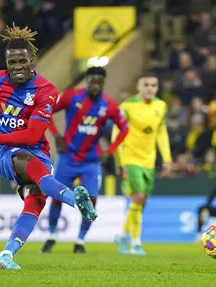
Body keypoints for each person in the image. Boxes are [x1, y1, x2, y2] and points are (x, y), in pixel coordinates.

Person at [0, 23, 97, 270]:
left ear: (32, 59)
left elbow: (31, 135)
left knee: (36, 198)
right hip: (5, 152)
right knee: (23, 159)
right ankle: (74, 200)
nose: (16, 68)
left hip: (37, 148)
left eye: (21, 61)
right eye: (11, 62)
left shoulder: (46, 91)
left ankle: (6, 255)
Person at [40, 66, 129, 254]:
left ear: (104, 83)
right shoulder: (71, 97)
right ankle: (52, 235)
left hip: (91, 161)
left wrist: (110, 150)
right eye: (92, 81)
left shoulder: (109, 105)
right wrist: (56, 135)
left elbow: (125, 128)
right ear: (86, 81)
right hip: (67, 158)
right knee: (57, 196)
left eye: (99, 82)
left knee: (92, 200)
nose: (95, 85)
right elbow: (45, 111)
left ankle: (80, 241)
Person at [113, 72, 172, 255]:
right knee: (138, 197)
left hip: (149, 161)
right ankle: (136, 243)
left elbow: (161, 133)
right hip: (131, 159)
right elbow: (117, 134)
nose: (149, 89)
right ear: (138, 87)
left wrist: (167, 159)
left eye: (153, 85)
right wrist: (120, 162)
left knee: (140, 202)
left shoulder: (161, 106)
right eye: (146, 85)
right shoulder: (127, 107)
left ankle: (123, 235)